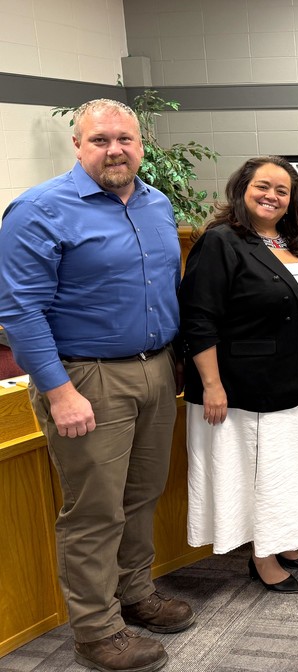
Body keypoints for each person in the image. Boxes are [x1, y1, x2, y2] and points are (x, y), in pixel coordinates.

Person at [0, 98, 194, 672]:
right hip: (86, 377)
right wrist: (59, 391)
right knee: (94, 511)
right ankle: (96, 630)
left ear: (141, 145)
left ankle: (134, 594)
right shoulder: (39, 210)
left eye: (126, 140)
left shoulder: (157, 204)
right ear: (78, 145)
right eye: (101, 140)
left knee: (141, 494)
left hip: (156, 369)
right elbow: (20, 310)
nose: (115, 150)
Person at [179, 156, 298, 594]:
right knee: (263, 470)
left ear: (293, 200)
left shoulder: (293, 241)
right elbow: (199, 318)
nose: (272, 196)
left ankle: (288, 540)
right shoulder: (221, 242)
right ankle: (263, 555)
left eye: (282, 190)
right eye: (262, 187)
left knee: (295, 465)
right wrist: (212, 385)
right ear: (242, 189)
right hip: (249, 383)